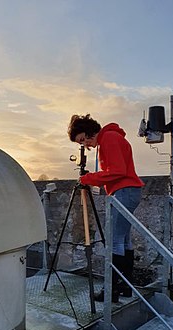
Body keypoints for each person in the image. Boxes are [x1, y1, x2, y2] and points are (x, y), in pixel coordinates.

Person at [67, 114, 144, 302]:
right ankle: (125, 287)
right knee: (124, 241)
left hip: (124, 191)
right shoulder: (112, 137)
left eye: (83, 140)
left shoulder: (108, 138)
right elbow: (117, 170)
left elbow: (117, 171)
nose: (85, 145)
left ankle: (111, 291)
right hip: (129, 191)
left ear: (88, 131)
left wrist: (88, 178)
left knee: (115, 241)